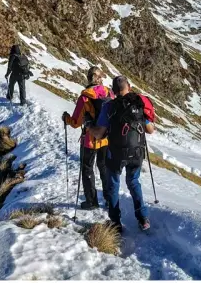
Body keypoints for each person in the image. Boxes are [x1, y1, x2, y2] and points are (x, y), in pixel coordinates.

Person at [89, 75, 156, 233]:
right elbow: (150, 130)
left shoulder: (109, 106)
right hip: (137, 152)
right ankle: (143, 219)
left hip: (116, 153)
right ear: (129, 87)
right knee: (133, 181)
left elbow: (99, 134)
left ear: (112, 91)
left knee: (113, 183)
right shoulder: (138, 104)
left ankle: (115, 222)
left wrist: (88, 126)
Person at [63, 67, 113, 210]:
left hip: (90, 139)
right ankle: (110, 198)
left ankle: (91, 201)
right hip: (106, 137)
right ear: (100, 79)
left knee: (87, 168)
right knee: (104, 167)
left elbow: (75, 122)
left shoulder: (85, 97)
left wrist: (66, 118)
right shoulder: (109, 93)